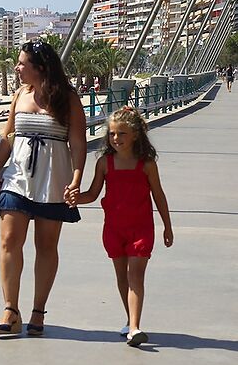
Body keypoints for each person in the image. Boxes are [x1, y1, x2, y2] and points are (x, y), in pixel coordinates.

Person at [0, 39, 87, 336]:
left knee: (46, 246)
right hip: (18, 177)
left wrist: (77, 178)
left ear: (40, 68)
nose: (17, 68)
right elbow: (8, 137)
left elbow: (78, 143)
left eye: (22, 64)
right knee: (9, 241)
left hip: (53, 179)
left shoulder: (68, 98)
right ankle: (10, 308)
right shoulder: (21, 94)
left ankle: (38, 310)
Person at [72, 107, 173, 347]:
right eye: (113, 134)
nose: (116, 139)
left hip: (141, 229)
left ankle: (135, 327)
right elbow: (93, 194)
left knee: (135, 276)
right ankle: (131, 320)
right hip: (114, 229)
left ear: (136, 135)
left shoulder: (146, 164)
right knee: (121, 278)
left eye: (122, 134)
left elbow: (159, 195)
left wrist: (167, 226)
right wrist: (75, 198)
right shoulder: (105, 164)